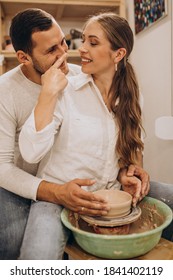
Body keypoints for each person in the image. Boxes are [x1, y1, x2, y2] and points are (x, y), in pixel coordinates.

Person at [0, 8, 150, 260]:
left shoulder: (83, 76)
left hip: (83, 189)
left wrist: (129, 167)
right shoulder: (8, 91)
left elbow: (125, 137)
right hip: (18, 181)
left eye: (63, 43)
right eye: (51, 50)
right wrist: (57, 192)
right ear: (24, 57)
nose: (66, 54)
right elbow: (4, 168)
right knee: (14, 247)